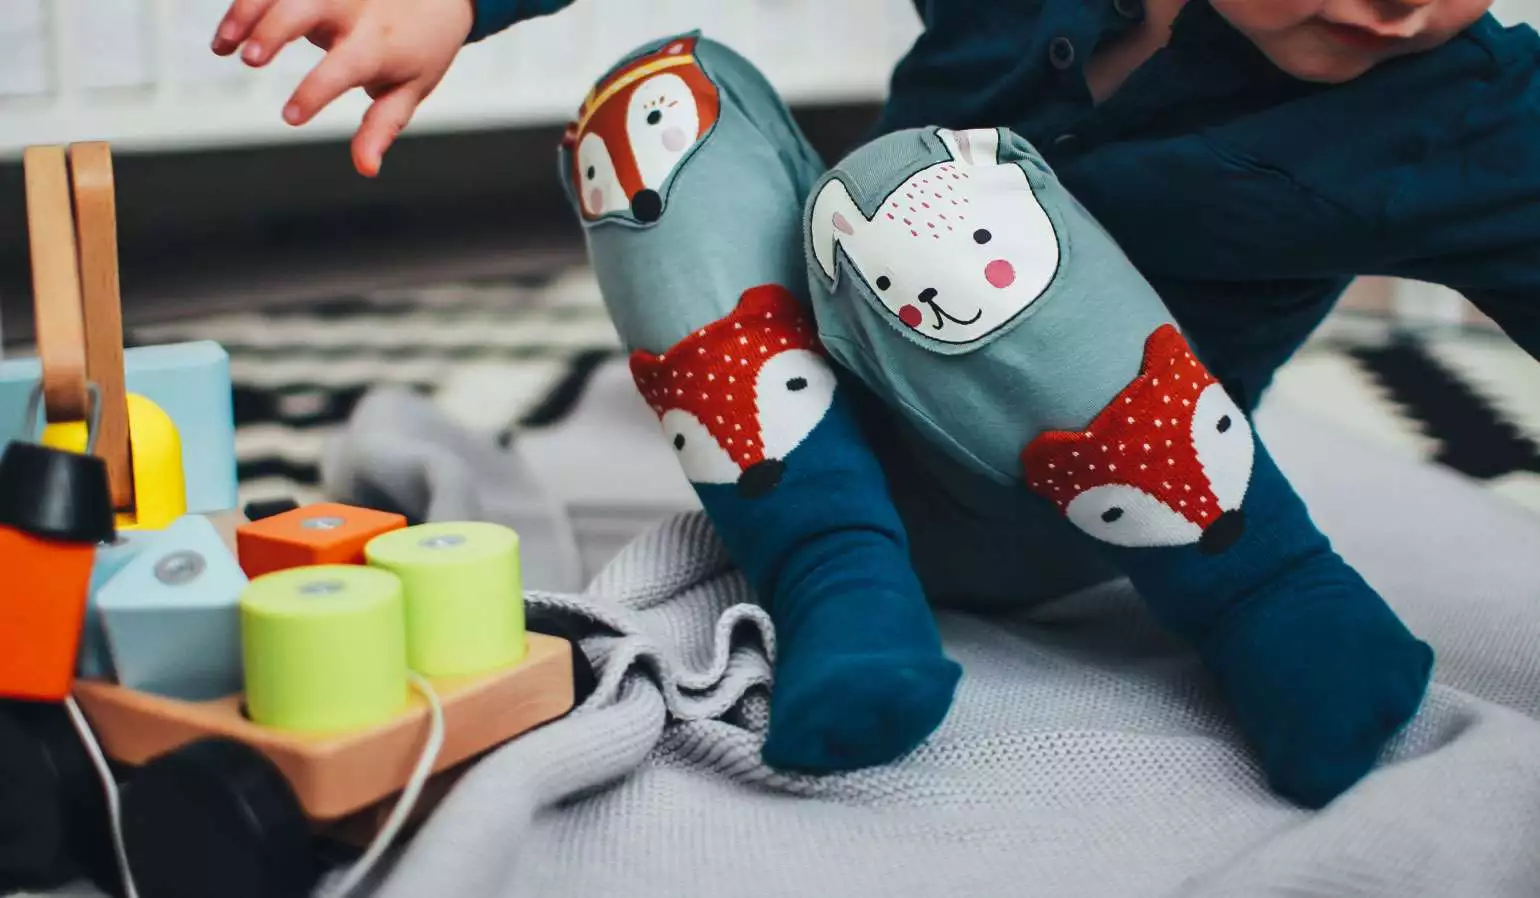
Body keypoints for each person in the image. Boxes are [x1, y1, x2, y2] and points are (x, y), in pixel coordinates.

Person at [209, 0, 1535, 807]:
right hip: (804, 423)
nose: (1402, 0)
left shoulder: (1469, 112)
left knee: (921, 191)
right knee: (652, 102)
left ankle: (1276, 601)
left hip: (1069, 500)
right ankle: (839, 582)